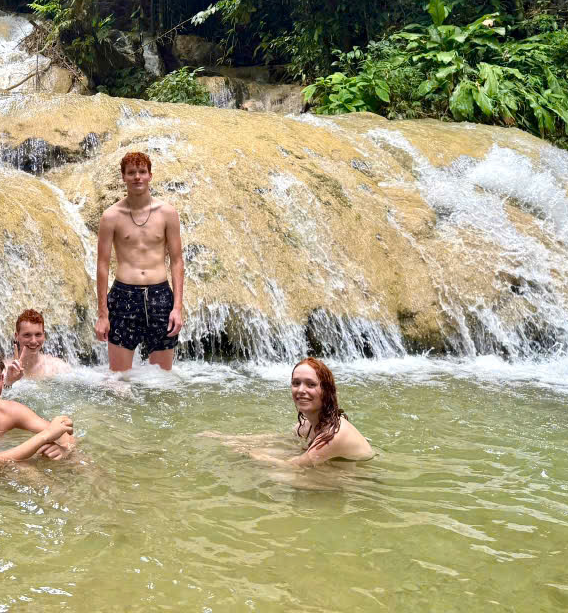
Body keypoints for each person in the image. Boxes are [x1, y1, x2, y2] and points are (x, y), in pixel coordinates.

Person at [93, 150, 185, 371]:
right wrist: (103, 315)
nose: (137, 177)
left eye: (142, 172)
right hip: (124, 296)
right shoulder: (111, 216)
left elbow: (177, 262)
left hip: (160, 297)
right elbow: (102, 266)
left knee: (161, 380)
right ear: (123, 177)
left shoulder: (167, 213)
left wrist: (177, 308)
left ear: (150, 176)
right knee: (119, 379)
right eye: (131, 172)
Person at [202, 357, 374, 466]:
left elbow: (294, 465)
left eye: (311, 384)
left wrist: (249, 454)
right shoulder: (307, 424)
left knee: (282, 477)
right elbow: (280, 440)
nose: (301, 390)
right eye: (296, 383)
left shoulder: (333, 434)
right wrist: (226, 438)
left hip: (362, 484)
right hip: (343, 471)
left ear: (326, 391)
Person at [4, 309, 72, 385]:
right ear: (16, 336)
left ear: (44, 336)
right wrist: (8, 382)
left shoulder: (58, 368)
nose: (33, 341)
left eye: (38, 334)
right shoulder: (4, 370)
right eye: (27, 335)